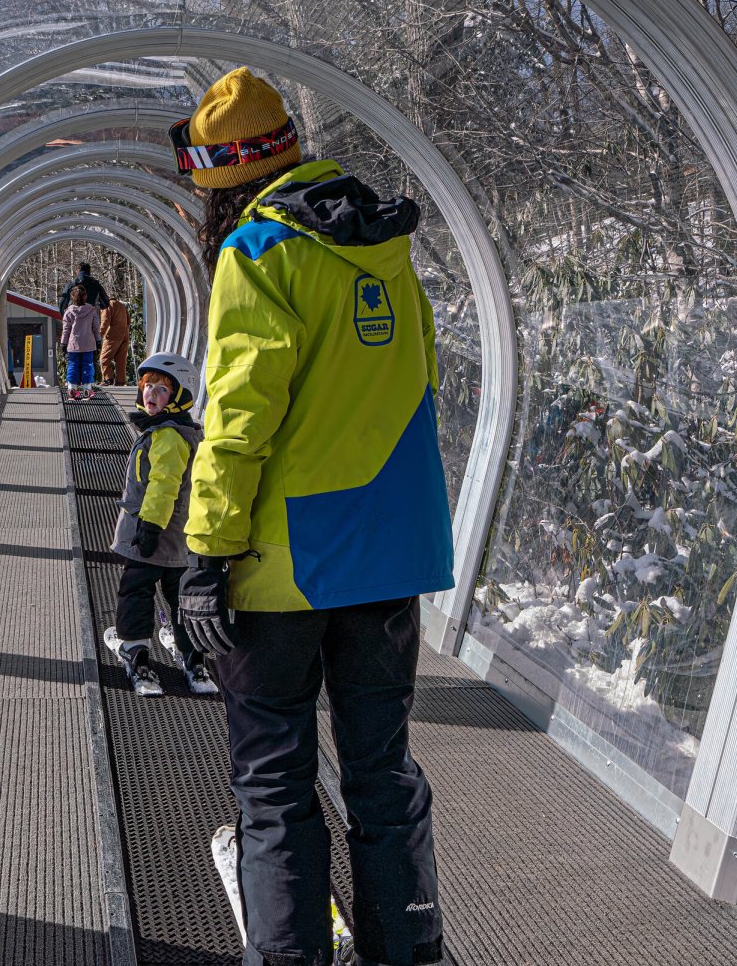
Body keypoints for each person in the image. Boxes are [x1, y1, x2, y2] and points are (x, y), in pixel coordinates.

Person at [173, 68, 453, 966]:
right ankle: (405, 951)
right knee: (382, 775)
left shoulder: (259, 253)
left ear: (223, 183)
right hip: (385, 560)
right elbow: (422, 386)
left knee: (275, 788)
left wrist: (208, 555)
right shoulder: (386, 246)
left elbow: (236, 420)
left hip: (280, 569)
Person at [105, 352, 216, 697]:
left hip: (152, 537)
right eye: (147, 386)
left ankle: (137, 655)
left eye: (162, 389)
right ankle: (193, 659)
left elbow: (163, 485)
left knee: (136, 593)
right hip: (181, 540)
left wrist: (149, 528)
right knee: (179, 598)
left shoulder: (167, 436)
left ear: (180, 396)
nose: (150, 393)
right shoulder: (186, 432)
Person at [59, 285, 100, 401]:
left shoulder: (68, 312)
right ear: (85, 296)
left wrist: (63, 344)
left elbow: (66, 330)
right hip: (88, 344)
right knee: (87, 365)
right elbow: (96, 328)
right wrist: (98, 341)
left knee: (73, 365)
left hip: (73, 345)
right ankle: (87, 389)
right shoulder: (92, 310)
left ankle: (72, 388)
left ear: (72, 298)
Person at [99, 295, 132, 386]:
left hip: (113, 335)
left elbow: (105, 322)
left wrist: (99, 335)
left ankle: (107, 379)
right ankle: (120, 381)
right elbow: (129, 321)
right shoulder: (122, 305)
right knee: (121, 359)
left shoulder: (107, 306)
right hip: (124, 334)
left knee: (104, 358)